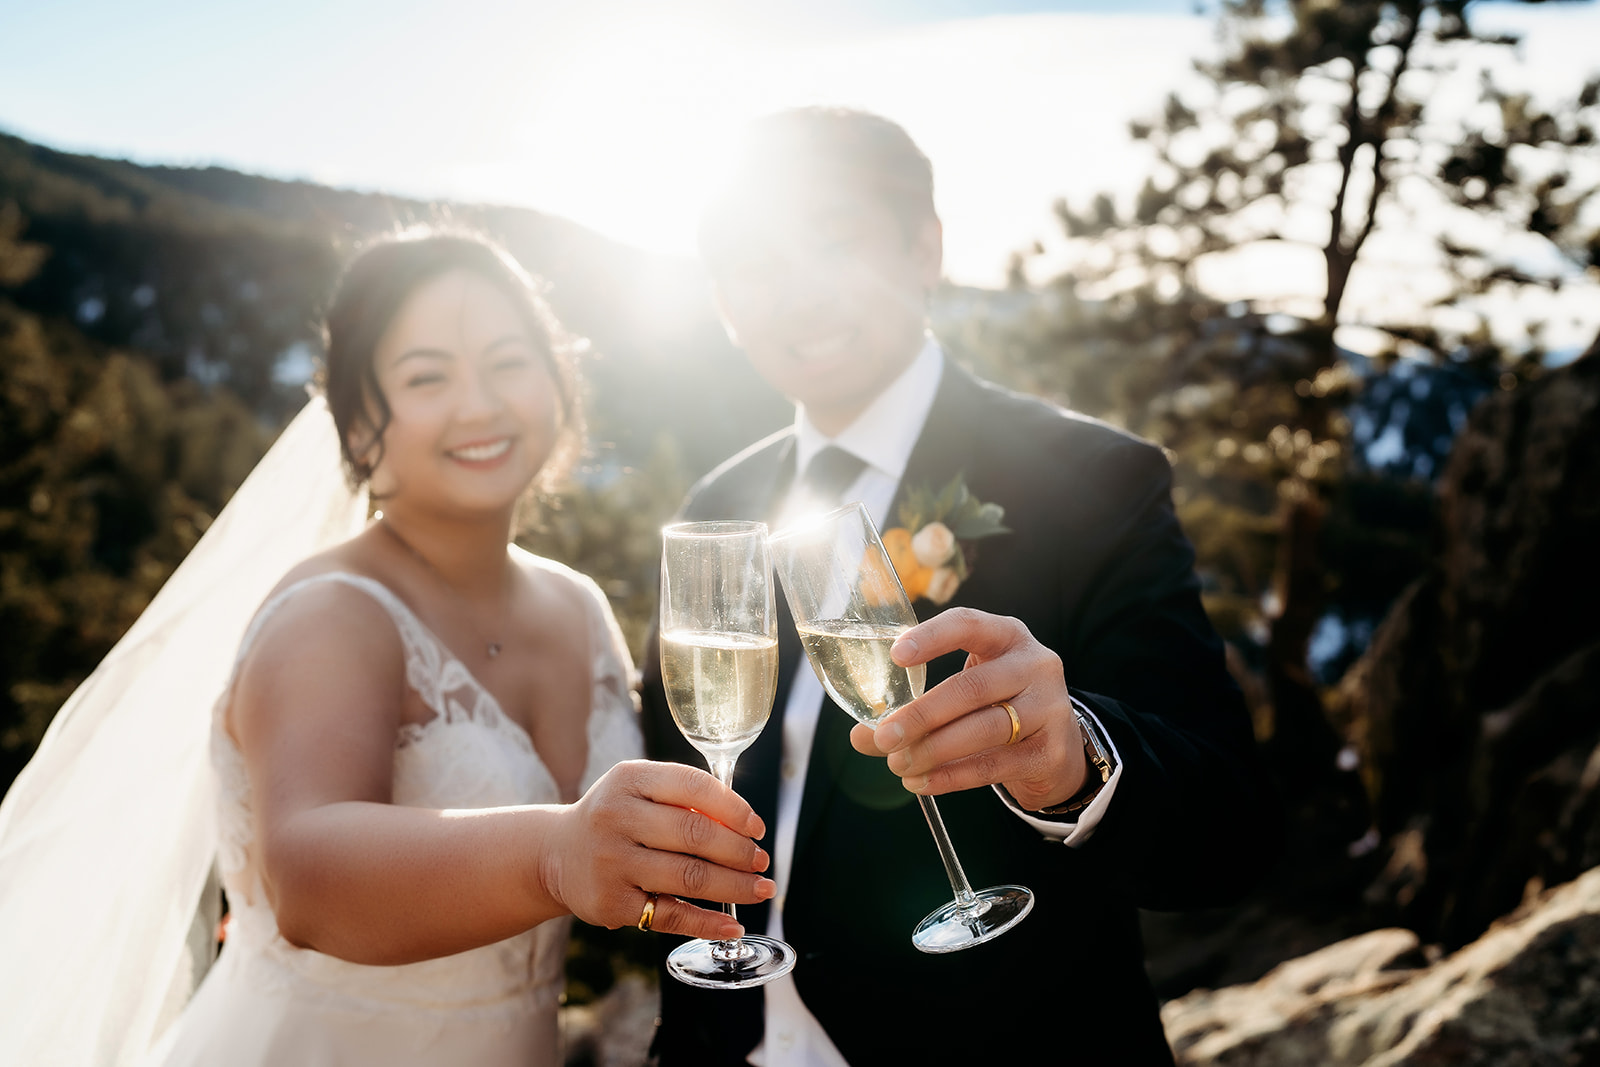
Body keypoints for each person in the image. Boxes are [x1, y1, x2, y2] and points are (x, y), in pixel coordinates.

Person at [0, 229, 776, 1067]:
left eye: (509, 361)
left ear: (559, 385)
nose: (478, 403)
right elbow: (305, 876)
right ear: (362, 422)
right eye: (427, 376)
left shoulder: (578, 606)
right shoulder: (330, 613)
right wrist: (555, 852)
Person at [638, 108, 1283, 1065]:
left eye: (833, 240)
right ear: (725, 303)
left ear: (924, 249)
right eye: (756, 263)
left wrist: (1075, 758)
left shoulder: (1091, 479)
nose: (797, 293)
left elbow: (1229, 830)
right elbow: (682, 764)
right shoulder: (721, 501)